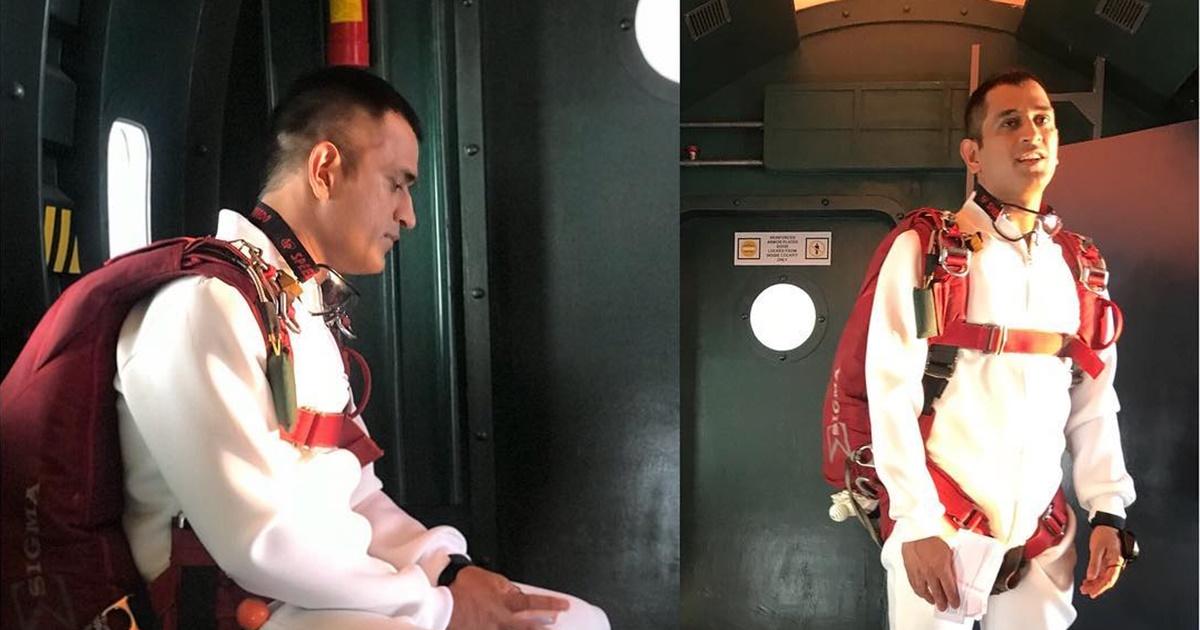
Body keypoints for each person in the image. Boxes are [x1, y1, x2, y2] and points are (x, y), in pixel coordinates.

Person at [114, 66, 609, 630]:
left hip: (315, 594)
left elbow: (357, 493)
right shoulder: (202, 308)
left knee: (581, 622)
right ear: (325, 169)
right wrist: (439, 610)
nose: (409, 215)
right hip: (238, 607)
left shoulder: (295, 307)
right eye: (396, 183)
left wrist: (446, 570)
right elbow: (262, 544)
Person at [864, 70, 1136, 629]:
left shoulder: (1081, 268)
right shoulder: (926, 251)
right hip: (942, 526)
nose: (1031, 134)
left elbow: (1094, 402)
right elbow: (888, 393)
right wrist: (915, 523)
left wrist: (1108, 509)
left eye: (1043, 121)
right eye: (1009, 122)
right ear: (973, 153)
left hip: (1043, 538)